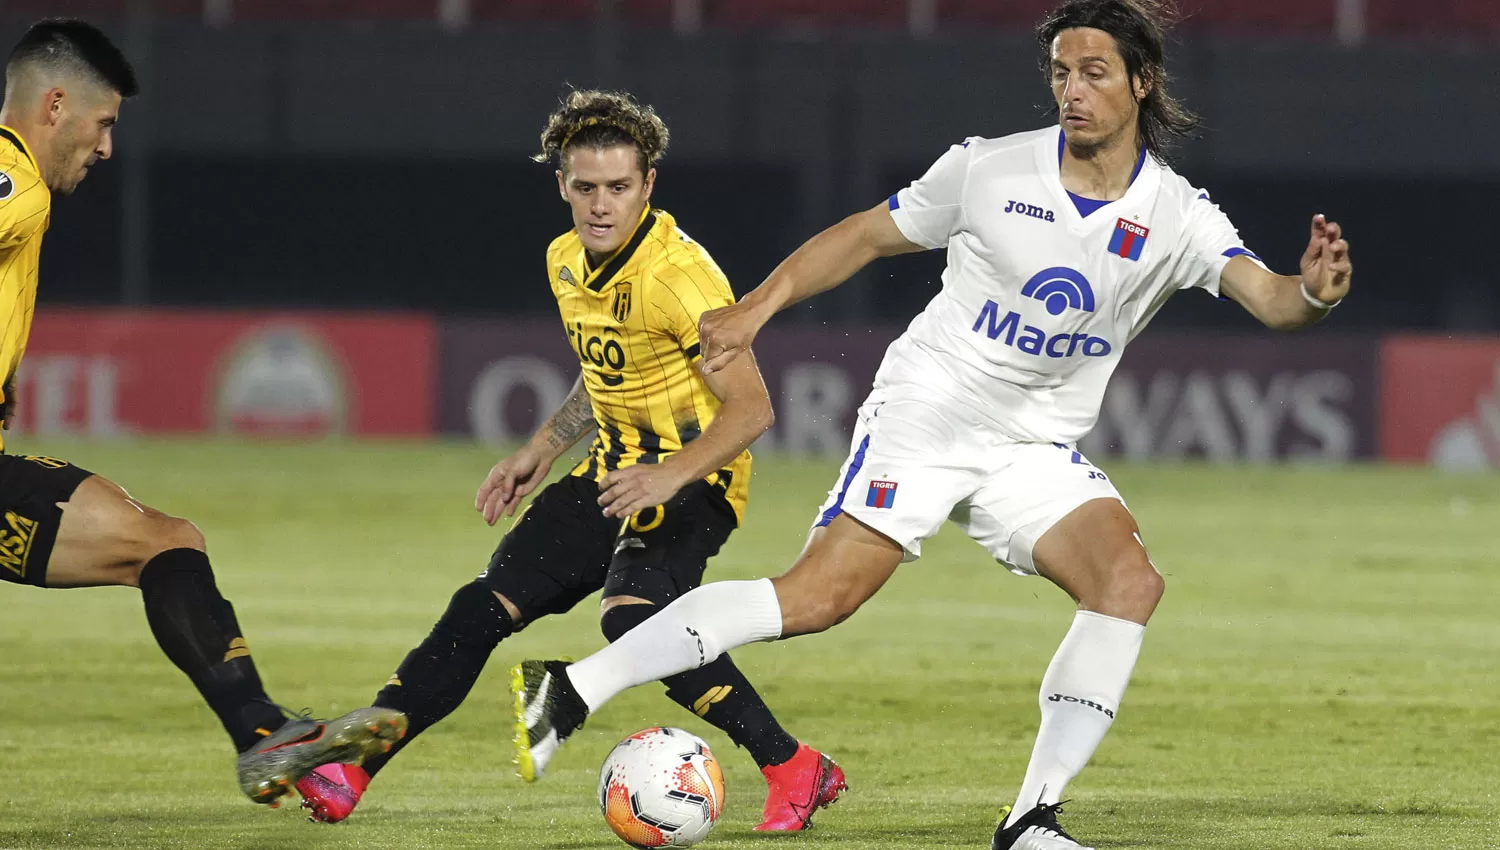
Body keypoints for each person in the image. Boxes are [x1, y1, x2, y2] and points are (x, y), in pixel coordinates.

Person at [509, 2, 1353, 848]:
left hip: (1031, 445)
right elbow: (867, 237)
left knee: (1127, 583)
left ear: (1143, 82)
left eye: (1094, 72)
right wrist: (758, 308)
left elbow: (1272, 300)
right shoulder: (989, 170)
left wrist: (1313, 291)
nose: (1072, 91)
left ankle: (1031, 821)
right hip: (931, 411)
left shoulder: (1177, 214)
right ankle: (574, 686)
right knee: (816, 599)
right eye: (1061, 72)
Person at [295, 89, 845, 830]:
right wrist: (543, 447)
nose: (600, 205)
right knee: (478, 610)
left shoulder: (680, 280)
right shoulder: (566, 260)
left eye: (619, 187)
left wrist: (670, 474)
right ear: (562, 184)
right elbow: (606, 370)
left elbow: (753, 409)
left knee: (632, 622)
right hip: (609, 473)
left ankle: (792, 766)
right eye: (585, 187)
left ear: (648, 185)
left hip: (695, 480)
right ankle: (351, 766)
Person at [0, 18, 406, 807]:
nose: (108, 146)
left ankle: (262, 732)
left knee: (163, 544)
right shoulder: (13, 181)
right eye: (104, 122)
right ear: (54, 105)